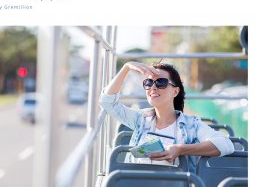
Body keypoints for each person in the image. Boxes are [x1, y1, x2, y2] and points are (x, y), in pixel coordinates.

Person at [99, 61, 235, 173]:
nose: (153, 87)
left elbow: (226, 144)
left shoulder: (191, 125)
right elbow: (107, 102)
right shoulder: (141, 119)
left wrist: (180, 149)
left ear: (175, 91)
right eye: (148, 83)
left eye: (161, 82)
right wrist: (126, 68)